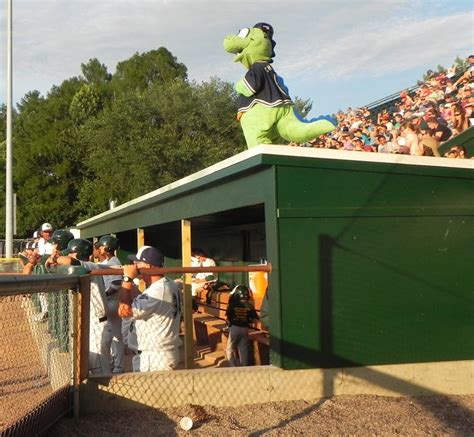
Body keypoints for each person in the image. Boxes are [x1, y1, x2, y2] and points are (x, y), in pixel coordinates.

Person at [118, 246, 182, 372]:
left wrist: (127, 279)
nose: (134, 265)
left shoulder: (157, 290)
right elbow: (139, 299)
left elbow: (124, 311)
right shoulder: (167, 283)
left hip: (155, 358)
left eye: (137, 262)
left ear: (148, 266)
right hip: (157, 354)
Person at [56, 238, 110, 374]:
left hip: (98, 326)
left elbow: (67, 261)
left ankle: (106, 396)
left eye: (71, 253)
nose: (68, 255)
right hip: (91, 323)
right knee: (89, 370)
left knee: (100, 372)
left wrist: (56, 258)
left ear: (78, 255)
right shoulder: (87, 265)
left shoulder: (90, 265)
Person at [225, 285, 259, 367]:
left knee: (230, 348)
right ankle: (244, 366)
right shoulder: (250, 306)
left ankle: (233, 366)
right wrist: (248, 320)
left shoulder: (232, 305)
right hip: (245, 329)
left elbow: (227, 318)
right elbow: (255, 319)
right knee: (244, 349)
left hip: (234, 328)